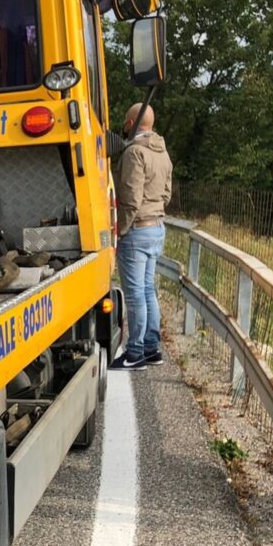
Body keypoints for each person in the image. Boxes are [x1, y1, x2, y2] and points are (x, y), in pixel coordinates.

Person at [111, 102, 172, 370]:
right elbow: (167, 193)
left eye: (127, 120)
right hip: (156, 226)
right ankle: (152, 348)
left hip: (136, 229)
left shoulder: (135, 153)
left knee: (135, 294)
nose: (124, 125)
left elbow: (131, 198)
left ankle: (134, 353)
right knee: (148, 290)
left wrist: (119, 230)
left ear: (134, 121)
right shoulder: (162, 153)